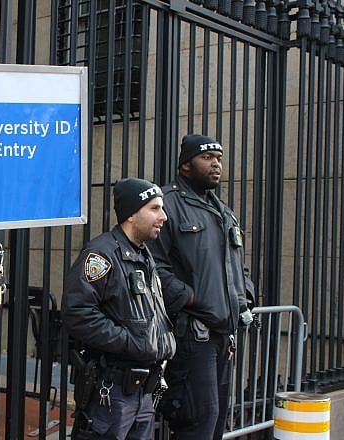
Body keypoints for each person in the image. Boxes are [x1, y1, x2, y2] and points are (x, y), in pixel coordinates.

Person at [147, 134, 255, 440]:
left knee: (218, 420)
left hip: (226, 334)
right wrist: (192, 299)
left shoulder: (223, 211)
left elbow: (238, 264)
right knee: (197, 422)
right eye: (207, 158)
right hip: (193, 335)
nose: (216, 164)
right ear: (185, 165)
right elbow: (154, 266)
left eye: (218, 158)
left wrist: (245, 295)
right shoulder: (166, 205)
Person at [62, 177, 177, 440]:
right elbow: (78, 313)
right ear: (131, 215)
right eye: (155, 208)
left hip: (144, 392)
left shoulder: (143, 254)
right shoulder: (101, 254)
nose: (164, 216)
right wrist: (131, 342)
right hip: (113, 392)